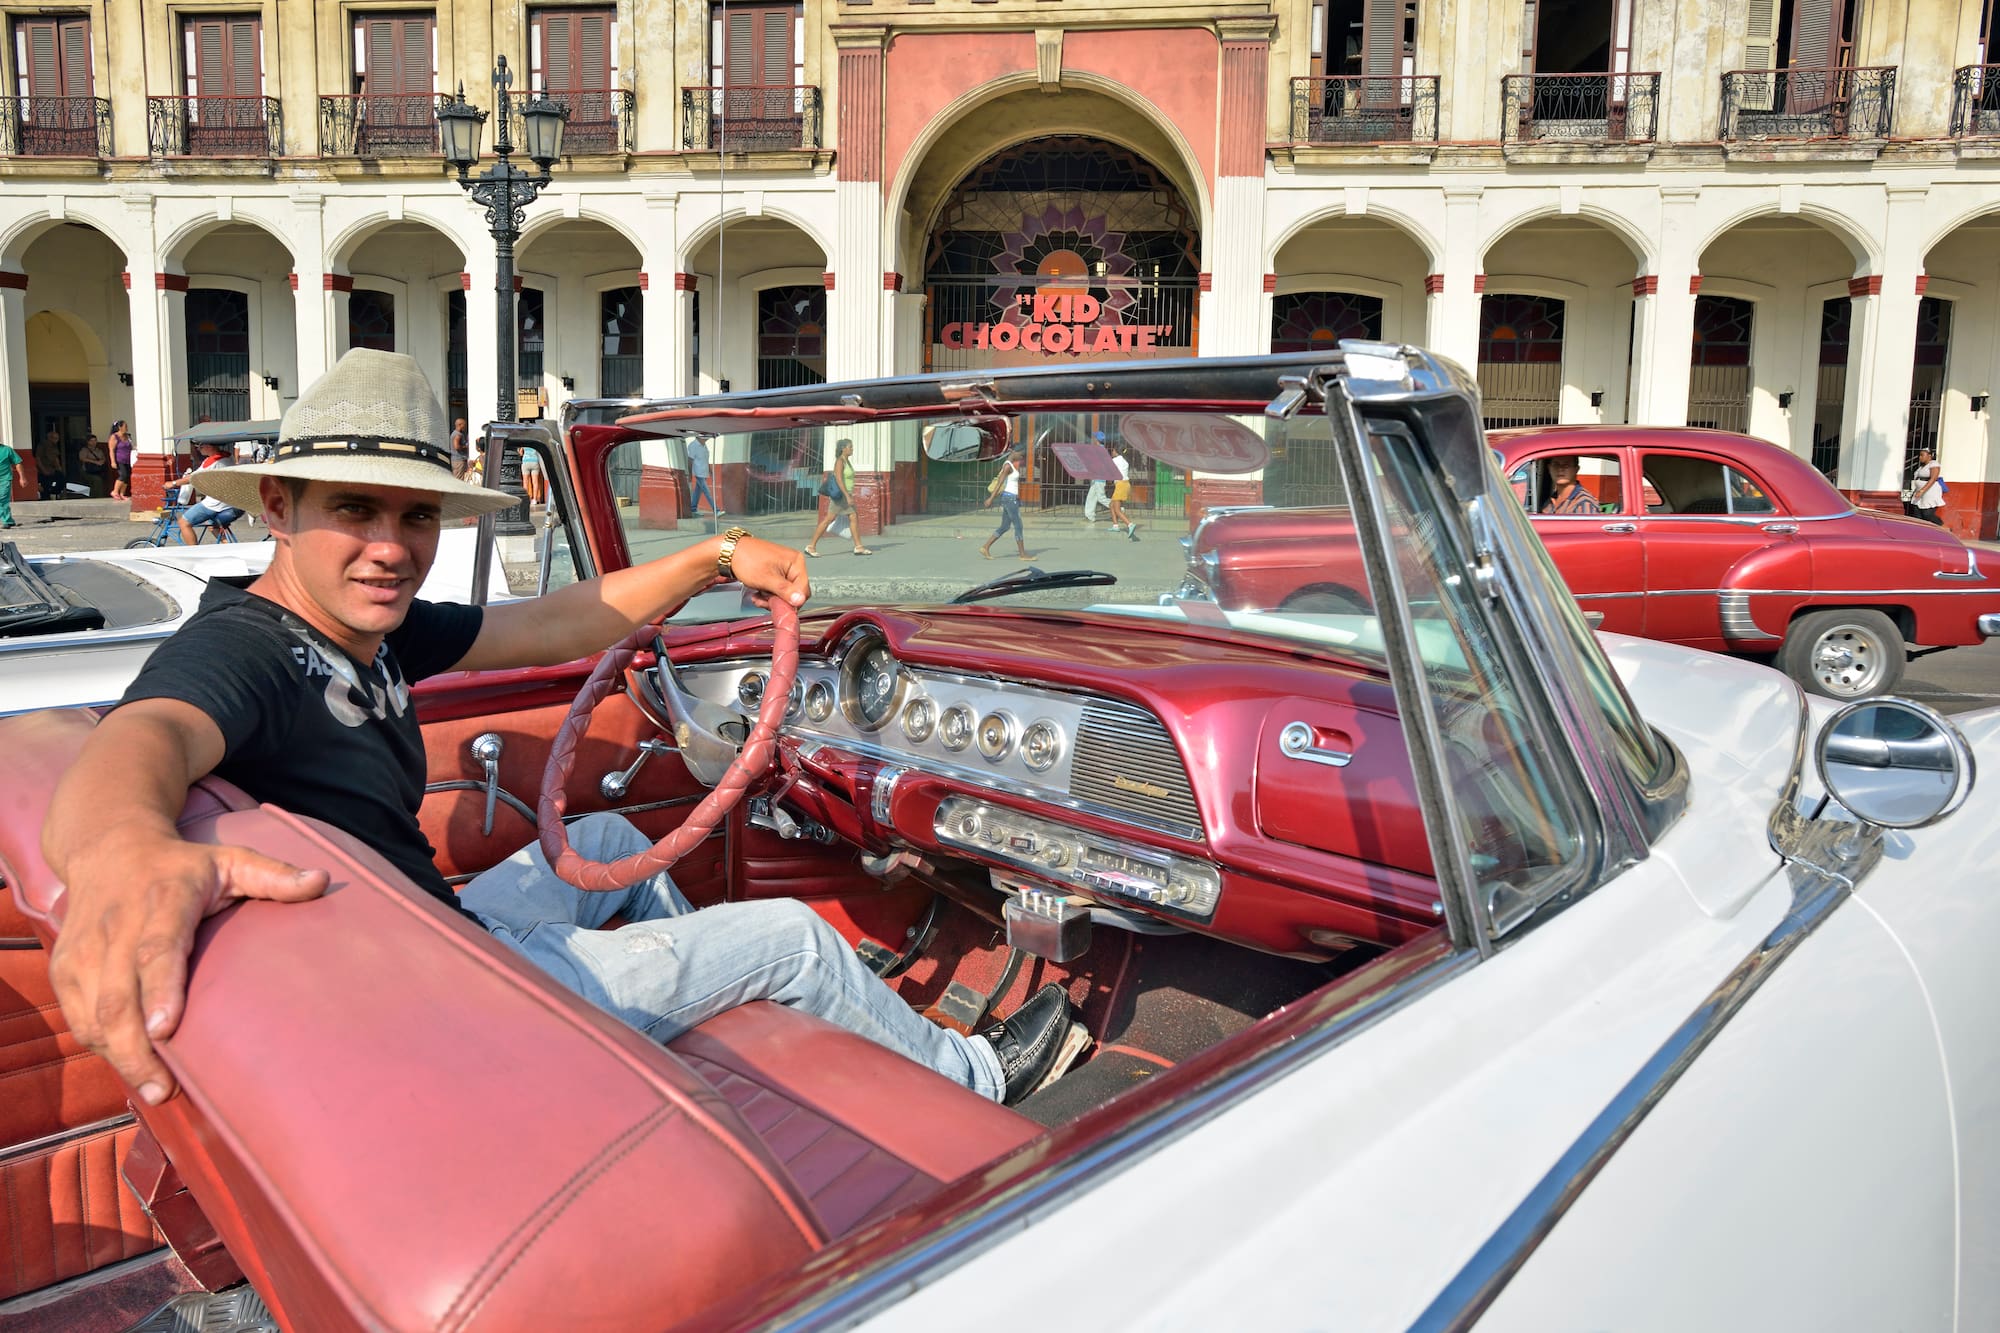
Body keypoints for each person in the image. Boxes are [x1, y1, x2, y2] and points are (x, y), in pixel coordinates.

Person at [40, 348, 1085, 1115]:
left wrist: (715, 555)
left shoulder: (368, 634)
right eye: (355, 509)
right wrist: (124, 850)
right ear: (277, 503)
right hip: (453, 991)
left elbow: (550, 622)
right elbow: (144, 738)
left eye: (414, 517)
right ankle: (981, 1077)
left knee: (614, 841)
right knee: (794, 937)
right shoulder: (249, 646)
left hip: (426, 939)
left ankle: (678, 1039)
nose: (391, 547)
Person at [804, 437, 872, 556]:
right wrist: (847, 495)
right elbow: (839, 480)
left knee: (852, 517)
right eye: (850, 447)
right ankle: (811, 546)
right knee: (829, 519)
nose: (852, 449)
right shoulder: (840, 461)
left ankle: (858, 546)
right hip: (841, 496)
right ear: (843, 448)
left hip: (845, 495)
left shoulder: (846, 460)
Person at [175, 443, 243, 545]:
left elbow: (193, 477)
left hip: (217, 502)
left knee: (183, 522)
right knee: (211, 525)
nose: (198, 449)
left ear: (209, 447)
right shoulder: (228, 457)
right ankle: (227, 545)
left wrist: (173, 483)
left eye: (200, 447)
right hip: (232, 501)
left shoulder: (213, 460)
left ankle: (194, 552)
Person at [979, 447, 1029, 561]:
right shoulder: (1007, 466)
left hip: (1010, 498)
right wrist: (990, 499)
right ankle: (1022, 554)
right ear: (1013, 452)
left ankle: (985, 547)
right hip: (1010, 499)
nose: (1021, 458)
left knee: (1005, 526)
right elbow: (1000, 483)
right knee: (1018, 526)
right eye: (1020, 455)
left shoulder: (1010, 465)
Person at [1106, 448, 1139, 541]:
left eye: (1112, 451)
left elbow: (1107, 468)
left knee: (1116, 509)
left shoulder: (1115, 460)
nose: (1111, 453)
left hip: (1120, 485)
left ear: (1115, 451)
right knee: (1111, 505)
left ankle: (1130, 524)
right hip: (1125, 484)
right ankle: (1115, 526)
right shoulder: (1124, 461)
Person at [1906, 448, 1945, 525]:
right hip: (1919, 492)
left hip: (1929, 492)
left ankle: (1941, 526)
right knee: (1917, 513)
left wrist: (1922, 491)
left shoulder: (1933, 464)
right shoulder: (1922, 467)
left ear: (1929, 456)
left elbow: (1933, 478)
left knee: (1927, 514)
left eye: (1922, 455)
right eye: (1920, 455)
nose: (1920, 457)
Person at [686, 435, 721, 518]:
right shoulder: (693, 445)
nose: (707, 438)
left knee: (697, 492)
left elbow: (706, 459)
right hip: (698, 473)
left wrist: (710, 470)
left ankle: (693, 509)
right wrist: (690, 474)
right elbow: (690, 461)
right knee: (707, 492)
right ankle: (716, 510)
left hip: (704, 472)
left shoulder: (704, 446)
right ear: (700, 437)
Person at [1082, 431, 1110, 523]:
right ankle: (1090, 516)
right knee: (1091, 497)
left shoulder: (1099, 450)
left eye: (1094, 437)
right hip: (1096, 477)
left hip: (1099, 478)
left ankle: (1118, 509)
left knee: (1101, 498)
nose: (1093, 439)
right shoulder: (1100, 449)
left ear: (1096, 440)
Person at [35, 426, 66, 500]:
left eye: (57, 438)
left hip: (52, 469)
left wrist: (59, 468)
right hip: (43, 469)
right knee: (46, 484)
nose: (57, 440)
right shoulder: (42, 445)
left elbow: (55, 458)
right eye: (55, 438)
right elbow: (38, 458)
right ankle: (46, 496)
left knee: (61, 478)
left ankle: (53, 492)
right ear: (50, 438)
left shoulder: (54, 446)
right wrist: (43, 470)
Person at [109, 421, 134, 500]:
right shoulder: (114, 437)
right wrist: (113, 461)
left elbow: (131, 446)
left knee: (127, 476)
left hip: (128, 459)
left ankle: (122, 493)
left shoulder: (128, 436)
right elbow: (111, 450)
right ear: (120, 427)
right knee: (123, 475)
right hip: (120, 460)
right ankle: (115, 491)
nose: (127, 428)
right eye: (125, 426)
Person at [79, 433, 109, 498]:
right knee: (97, 480)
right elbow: (82, 458)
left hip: (98, 470)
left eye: (95, 440)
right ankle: (98, 496)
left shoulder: (99, 450)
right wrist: (95, 462)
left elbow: (103, 458)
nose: (94, 442)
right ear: (88, 442)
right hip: (88, 471)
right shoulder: (85, 450)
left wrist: (101, 462)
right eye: (91, 441)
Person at [0, 438, 22, 528]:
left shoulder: (7, 450)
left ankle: (7, 521)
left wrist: (22, 478)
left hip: (5, 479)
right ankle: (10, 520)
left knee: (2, 499)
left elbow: (18, 462)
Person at [519, 442, 546, 507]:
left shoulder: (524, 443)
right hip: (535, 461)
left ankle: (525, 499)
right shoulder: (535, 443)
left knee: (525, 482)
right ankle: (534, 499)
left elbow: (520, 453)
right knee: (535, 482)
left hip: (526, 462)